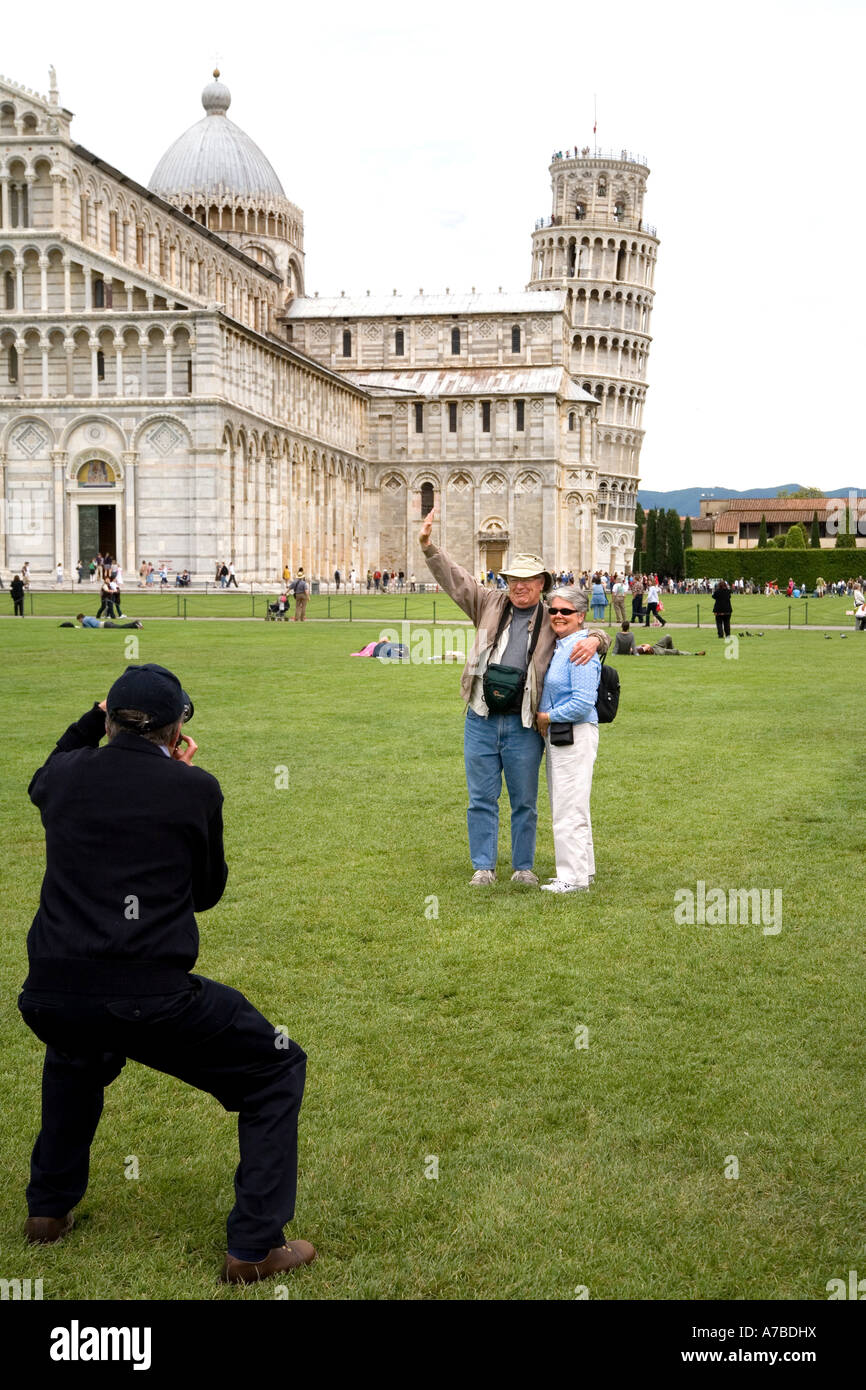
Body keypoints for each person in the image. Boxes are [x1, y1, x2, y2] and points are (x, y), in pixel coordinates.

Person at [17, 664, 314, 1284]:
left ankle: (48, 1211)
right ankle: (254, 1248)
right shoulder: (194, 788)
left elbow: (52, 764)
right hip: (147, 995)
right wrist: (179, 783)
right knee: (277, 1064)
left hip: (52, 988)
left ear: (109, 719)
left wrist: (89, 720)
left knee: (78, 1054)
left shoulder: (64, 778)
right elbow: (206, 893)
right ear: (177, 727)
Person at [419, 508, 609, 886]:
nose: (518, 587)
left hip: (525, 721)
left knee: (524, 800)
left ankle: (523, 867)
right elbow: (455, 580)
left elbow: (583, 625)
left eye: (527, 580)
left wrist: (597, 638)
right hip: (481, 717)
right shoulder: (489, 603)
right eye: (512, 580)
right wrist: (428, 547)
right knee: (481, 797)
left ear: (542, 583)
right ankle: (484, 867)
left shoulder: (552, 619)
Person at [535, 587, 601, 894]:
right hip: (564, 735)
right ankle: (582, 870)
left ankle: (572, 879)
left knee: (567, 807)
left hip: (574, 734)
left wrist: (546, 717)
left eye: (566, 612)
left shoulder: (581, 650)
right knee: (573, 804)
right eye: (553, 611)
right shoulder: (565, 644)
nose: (558, 616)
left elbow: (583, 702)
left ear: (581, 616)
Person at [636, 634, 705, 655]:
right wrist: (645, 645)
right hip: (656, 652)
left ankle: (673, 653)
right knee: (676, 651)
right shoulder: (635, 651)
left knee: (668, 637)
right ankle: (694, 654)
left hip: (655, 647)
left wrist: (645, 645)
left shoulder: (634, 647)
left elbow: (644, 645)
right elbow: (646, 646)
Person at [74, 613, 142, 629]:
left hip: (104, 625)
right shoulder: (88, 617)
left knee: (121, 627)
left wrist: (81, 627)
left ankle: (135, 623)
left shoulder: (84, 620)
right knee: (121, 626)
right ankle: (135, 625)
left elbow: (90, 628)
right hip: (106, 622)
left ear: (80, 618)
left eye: (79, 620)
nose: (79, 622)